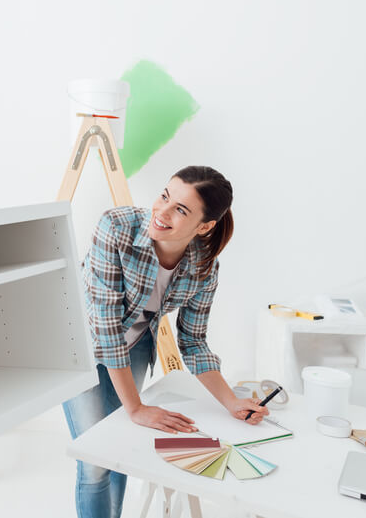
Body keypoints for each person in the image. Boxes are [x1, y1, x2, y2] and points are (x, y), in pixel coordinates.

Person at [62, 165, 266, 518]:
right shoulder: (116, 227)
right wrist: (136, 408)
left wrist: (232, 402)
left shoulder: (204, 267)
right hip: (79, 343)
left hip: (136, 343)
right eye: (165, 196)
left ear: (204, 226)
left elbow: (193, 341)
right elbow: (107, 330)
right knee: (95, 459)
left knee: (120, 452)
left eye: (180, 210)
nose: (162, 211)